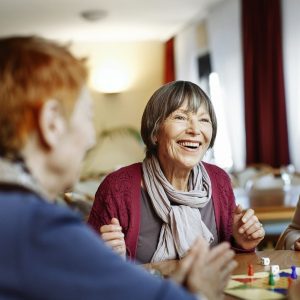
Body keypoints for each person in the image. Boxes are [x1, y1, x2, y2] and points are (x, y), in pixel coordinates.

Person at [0, 36, 237, 300]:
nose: (91, 138)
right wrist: (199, 293)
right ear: (52, 123)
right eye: (88, 116)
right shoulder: (39, 228)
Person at [88, 80, 265, 263]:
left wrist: (242, 243)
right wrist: (108, 258)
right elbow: (86, 267)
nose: (195, 130)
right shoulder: (118, 188)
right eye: (180, 117)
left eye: (204, 120)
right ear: (155, 131)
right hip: (146, 292)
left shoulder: (219, 180)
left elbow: (230, 267)